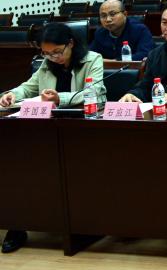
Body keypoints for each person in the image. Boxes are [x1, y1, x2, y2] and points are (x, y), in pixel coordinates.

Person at [0, 22, 105, 254]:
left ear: (70, 44)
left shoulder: (92, 59)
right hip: (46, 130)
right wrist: (11, 95)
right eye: (46, 53)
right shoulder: (46, 64)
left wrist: (60, 98)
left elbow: (95, 93)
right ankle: (18, 225)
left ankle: (80, 223)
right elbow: (28, 88)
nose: (52, 58)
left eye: (57, 52)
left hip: (83, 131)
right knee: (18, 165)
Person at [88, 0, 154, 61]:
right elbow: (90, 55)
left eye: (112, 14)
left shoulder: (140, 30)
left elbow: (145, 54)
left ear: (125, 14)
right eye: (103, 16)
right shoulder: (100, 33)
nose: (108, 19)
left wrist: (115, 61)